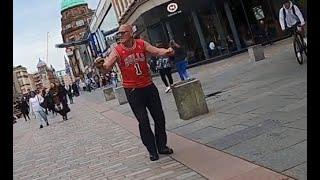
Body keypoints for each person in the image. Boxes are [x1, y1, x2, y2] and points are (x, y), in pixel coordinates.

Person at [95, 24, 174, 161]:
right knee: (143, 121)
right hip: (133, 90)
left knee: (159, 117)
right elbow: (107, 66)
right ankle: (152, 150)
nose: (120, 36)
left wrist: (167, 51)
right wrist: (100, 65)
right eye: (118, 34)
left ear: (131, 33)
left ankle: (161, 146)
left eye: (123, 33)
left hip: (149, 86)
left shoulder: (141, 44)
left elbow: (156, 51)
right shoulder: (117, 50)